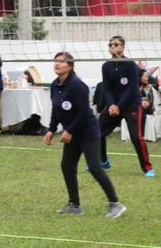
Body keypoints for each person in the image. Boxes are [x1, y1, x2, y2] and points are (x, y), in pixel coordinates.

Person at [44, 52, 126, 219]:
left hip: (87, 132)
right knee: (67, 166)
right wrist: (51, 129)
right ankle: (74, 205)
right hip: (72, 134)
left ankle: (115, 204)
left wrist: (70, 131)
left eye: (61, 61)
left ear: (70, 65)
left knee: (95, 167)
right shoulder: (55, 85)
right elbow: (56, 109)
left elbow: (83, 113)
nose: (57, 64)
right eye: (56, 61)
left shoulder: (77, 85)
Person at [97, 35, 154, 177]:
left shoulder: (130, 64)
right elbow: (107, 89)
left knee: (137, 137)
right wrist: (111, 104)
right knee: (96, 132)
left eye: (116, 44)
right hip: (114, 105)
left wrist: (119, 106)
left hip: (131, 105)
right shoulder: (106, 66)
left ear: (123, 47)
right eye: (110, 44)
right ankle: (103, 161)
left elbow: (132, 88)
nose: (113, 46)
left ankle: (147, 168)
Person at [138, 69, 156, 133]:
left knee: (147, 111)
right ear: (140, 77)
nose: (147, 78)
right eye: (145, 76)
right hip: (138, 106)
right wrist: (141, 102)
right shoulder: (135, 86)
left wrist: (148, 102)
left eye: (148, 77)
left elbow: (151, 98)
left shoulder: (149, 86)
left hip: (148, 107)